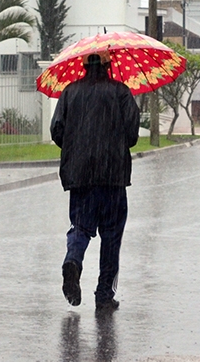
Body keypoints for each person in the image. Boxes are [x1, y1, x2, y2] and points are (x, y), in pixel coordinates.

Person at [50, 51, 140, 312]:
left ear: (83, 64)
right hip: (113, 176)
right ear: (109, 64)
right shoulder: (121, 92)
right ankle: (103, 295)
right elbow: (132, 135)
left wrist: (76, 147)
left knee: (80, 226)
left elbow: (57, 130)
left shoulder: (69, 93)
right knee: (111, 236)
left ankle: (73, 261)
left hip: (80, 176)